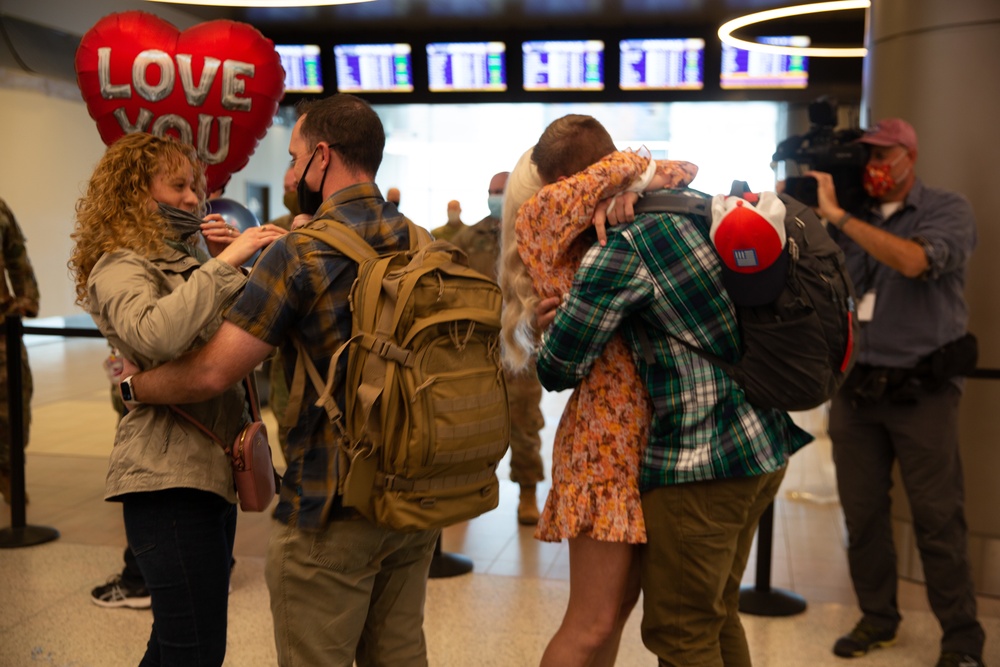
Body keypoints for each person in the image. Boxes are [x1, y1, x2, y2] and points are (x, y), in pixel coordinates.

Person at [120, 94, 440, 667]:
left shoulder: (300, 252)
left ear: (322, 158)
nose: (290, 174)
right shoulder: (422, 241)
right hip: (413, 497)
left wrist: (133, 388)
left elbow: (214, 371)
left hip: (330, 500)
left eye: (294, 159)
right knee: (399, 653)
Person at [522, 123, 811, 667]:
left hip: (701, 461)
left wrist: (545, 327)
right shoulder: (693, 205)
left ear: (565, 185)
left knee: (682, 633)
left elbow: (559, 366)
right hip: (761, 443)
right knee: (716, 613)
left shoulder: (621, 248)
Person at [69, 133, 282, 663]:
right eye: (178, 185)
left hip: (210, 472)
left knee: (175, 646)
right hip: (165, 479)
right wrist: (226, 261)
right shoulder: (120, 263)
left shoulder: (188, 262)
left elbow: (241, 350)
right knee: (195, 650)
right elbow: (151, 334)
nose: (193, 199)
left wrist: (221, 262)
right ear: (137, 194)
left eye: (196, 187)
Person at [499, 114, 699, 667]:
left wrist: (634, 188)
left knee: (615, 614)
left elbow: (687, 171)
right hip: (603, 445)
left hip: (638, 438)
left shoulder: (601, 226)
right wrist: (630, 179)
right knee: (590, 624)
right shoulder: (543, 215)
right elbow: (629, 165)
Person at [808, 118, 986, 667]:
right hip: (857, 390)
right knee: (863, 517)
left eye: (885, 154)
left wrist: (840, 220)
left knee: (937, 518)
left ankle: (961, 637)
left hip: (922, 391)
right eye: (869, 156)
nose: (875, 165)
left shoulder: (947, 209)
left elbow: (914, 260)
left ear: (910, 155)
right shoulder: (851, 214)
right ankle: (878, 618)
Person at [450, 171, 546, 525]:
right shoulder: (468, 237)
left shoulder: (532, 237)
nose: (495, 198)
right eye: (491, 191)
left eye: (501, 192)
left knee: (524, 424)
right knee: (469, 423)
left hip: (520, 347)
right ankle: (465, 493)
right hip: (476, 349)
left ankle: (527, 494)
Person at [0, 198, 39, 505]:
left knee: (14, 399)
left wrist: (25, 301)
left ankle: (9, 471)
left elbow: (16, 255)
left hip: (2, 327)